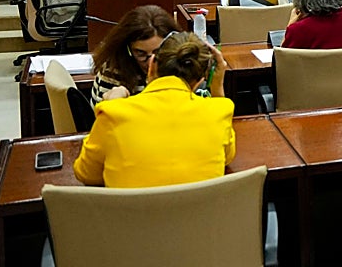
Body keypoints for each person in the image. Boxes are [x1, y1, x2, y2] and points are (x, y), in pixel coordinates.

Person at [74, 32, 233, 188]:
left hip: (131, 214)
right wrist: (217, 87)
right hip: (200, 214)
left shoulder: (114, 113)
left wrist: (110, 105)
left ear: (151, 66)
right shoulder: (219, 110)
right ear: (199, 82)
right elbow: (227, 156)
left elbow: (86, 174)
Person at [89, 5, 179, 104]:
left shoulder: (177, 64)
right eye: (141, 53)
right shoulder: (112, 72)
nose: (150, 62)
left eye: (158, 53)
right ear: (127, 49)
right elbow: (108, 117)